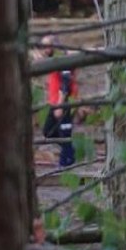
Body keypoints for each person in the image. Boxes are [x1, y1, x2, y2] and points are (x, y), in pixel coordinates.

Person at [41, 36, 79, 168]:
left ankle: (66, 163)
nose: (44, 50)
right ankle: (70, 151)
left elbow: (66, 84)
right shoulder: (54, 60)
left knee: (64, 133)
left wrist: (60, 105)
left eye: (46, 46)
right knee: (48, 131)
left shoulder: (63, 60)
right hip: (55, 103)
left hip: (63, 103)